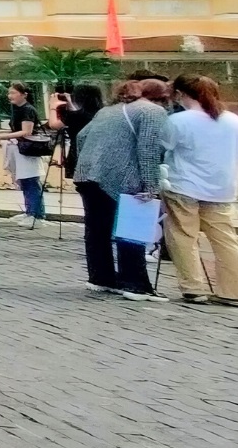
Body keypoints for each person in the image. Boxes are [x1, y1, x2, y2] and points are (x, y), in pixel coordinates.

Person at [71, 80, 170, 299]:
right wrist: (151, 185)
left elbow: (81, 136)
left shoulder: (107, 111)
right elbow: (148, 149)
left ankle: (101, 277)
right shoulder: (151, 112)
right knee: (131, 228)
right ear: (161, 97)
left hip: (88, 174)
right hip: (121, 175)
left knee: (97, 229)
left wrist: (90, 161)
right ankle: (135, 284)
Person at [162, 76, 238, 306]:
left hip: (184, 186)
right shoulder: (234, 121)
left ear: (181, 94)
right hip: (222, 188)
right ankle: (234, 290)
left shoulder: (179, 121)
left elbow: (165, 146)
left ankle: (193, 287)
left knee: (183, 237)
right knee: (226, 240)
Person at [2, 82, 48, 228]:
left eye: (14, 93)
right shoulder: (16, 109)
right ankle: (29, 211)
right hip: (19, 148)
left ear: (24, 94)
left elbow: (26, 131)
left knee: (31, 181)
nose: (10, 96)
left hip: (28, 149)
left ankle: (37, 214)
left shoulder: (28, 110)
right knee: (24, 181)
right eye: (9, 93)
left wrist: (0, 137)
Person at [56, 84, 106, 180]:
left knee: (84, 188)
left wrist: (53, 107)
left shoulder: (76, 116)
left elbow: (54, 124)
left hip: (79, 155)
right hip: (99, 155)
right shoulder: (103, 113)